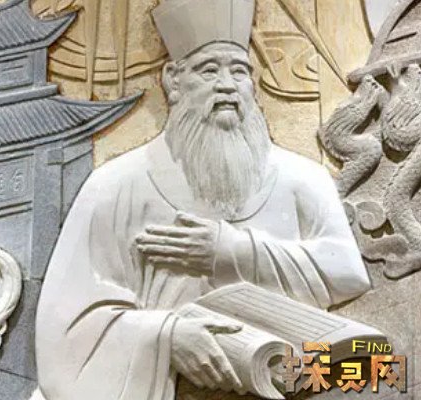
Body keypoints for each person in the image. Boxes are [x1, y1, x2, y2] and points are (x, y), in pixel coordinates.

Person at [35, 0, 371, 398]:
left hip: (288, 378)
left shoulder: (302, 177)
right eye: (209, 70)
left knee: (382, 367)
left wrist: (231, 251)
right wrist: (168, 336)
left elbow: (348, 272)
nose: (227, 85)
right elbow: (67, 327)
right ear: (173, 81)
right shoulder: (115, 186)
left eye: (239, 70)